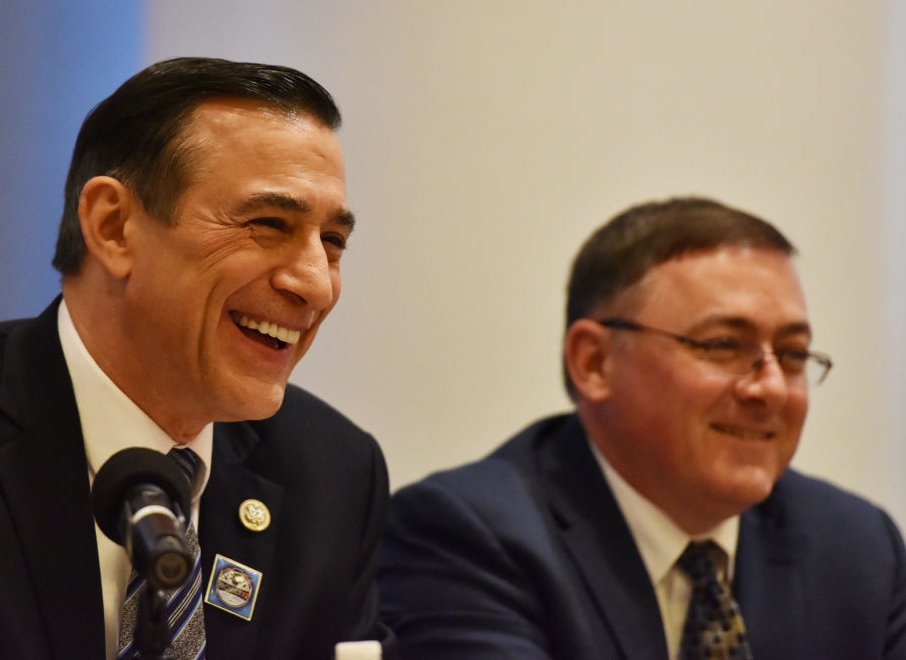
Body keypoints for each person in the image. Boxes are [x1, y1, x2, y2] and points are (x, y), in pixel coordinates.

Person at [0, 57, 393, 659]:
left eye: (332, 243)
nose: (316, 285)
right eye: (267, 223)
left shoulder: (333, 475)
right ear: (114, 226)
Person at [378, 197, 906, 658]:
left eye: (791, 354)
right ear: (594, 362)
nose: (769, 389)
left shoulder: (858, 549)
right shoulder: (463, 536)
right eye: (723, 345)